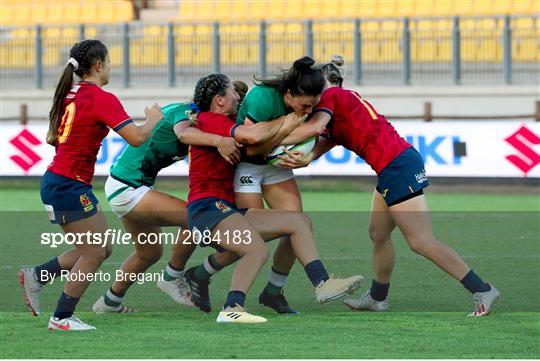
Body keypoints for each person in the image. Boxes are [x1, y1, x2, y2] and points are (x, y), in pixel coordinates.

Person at [277, 57, 501, 317]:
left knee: (421, 242)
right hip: (392, 167)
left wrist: (268, 135)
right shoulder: (337, 112)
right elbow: (315, 151)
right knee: (378, 234)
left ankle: (482, 289)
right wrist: (301, 158)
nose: (315, 95)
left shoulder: (333, 96)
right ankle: (378, 298)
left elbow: (313, 127)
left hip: (397, 166)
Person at [184, 73, 363, 323]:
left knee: (298, 222)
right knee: (256, 250)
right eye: (232, 93)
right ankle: (231, 308)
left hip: (225, 209)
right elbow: (252, 136)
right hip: (208, 209)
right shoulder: (212, 121)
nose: (238, 95)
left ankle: (321, 284)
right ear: (219, 100)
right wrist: (290, 118)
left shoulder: (215, 120)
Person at [18, 40, 163, 331]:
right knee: (94, 252)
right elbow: (135, 137)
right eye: (108, 62)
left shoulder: (70, 93)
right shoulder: (100, 97)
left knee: (102, 248)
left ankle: (38, 275)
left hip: (65, 182)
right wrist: (153, 119)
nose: (109, 67)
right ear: (98, 65)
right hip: (67, 185)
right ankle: (61, 317)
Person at [91, 83, 248, 313]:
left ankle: (109, 302)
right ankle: (172, 277)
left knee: (149, 253)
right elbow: (183, 134)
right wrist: (220, 141)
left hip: (128, 185)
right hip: (128, 186)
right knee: (194, 217)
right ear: (217, 100)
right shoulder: (184, 111)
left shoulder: (201, 123)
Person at [231, 56, 326, 314]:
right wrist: (291, 129)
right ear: (288, 93)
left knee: (298, 225)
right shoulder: (262, 98)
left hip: (275, 167)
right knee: (251, 235)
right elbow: (250, 149)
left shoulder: (309, 102)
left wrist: (302, 150)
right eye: (304, 105)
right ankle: (204, 274)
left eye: (313, 105)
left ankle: (273, 291)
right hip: (246, 166)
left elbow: (313, 130)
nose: (308, 111)